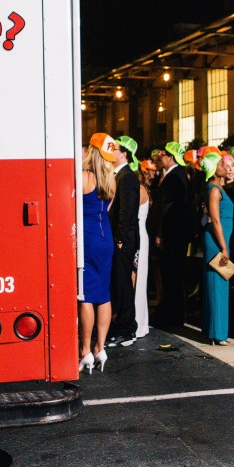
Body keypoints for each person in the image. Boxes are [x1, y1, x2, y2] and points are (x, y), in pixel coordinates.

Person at [79, 135, 117, 373]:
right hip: (106, 238)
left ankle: (84, 351)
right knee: (104, 293)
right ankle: (100, 347)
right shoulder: (111, 180)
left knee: (86, 295)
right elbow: (108, 210)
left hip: (87, 238)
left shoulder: (84, 177)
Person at [149, 141, 192, 328]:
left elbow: (165, 208)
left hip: (172, 234)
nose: (160, 158)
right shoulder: (181, 175)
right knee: (175, 276)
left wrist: (159, 232)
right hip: (178, 234)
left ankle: (172, 316)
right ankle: (175, 314)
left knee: (171, 276)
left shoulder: (174, 177)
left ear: (170, 157)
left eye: (163, 155)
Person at [107, 135, 141, 347]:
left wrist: (120, 238)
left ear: (124, 154)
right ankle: (123, 326)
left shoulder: (127, 177)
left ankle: (127, 329)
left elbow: (127, 211)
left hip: (124, 241)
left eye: (115, 149)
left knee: (123, 285)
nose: (111, 153)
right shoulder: (120, 175)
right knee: (119, 284)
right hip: (121, 239)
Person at [201, 152, 234, 345]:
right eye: (221, 163)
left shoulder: (218, 187)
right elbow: (215, 220)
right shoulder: (214, 189)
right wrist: (223, 247)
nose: (225, 166)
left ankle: (215, 330)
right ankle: (217, 333)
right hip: (217, 242)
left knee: (220, 283)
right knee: (217, 284)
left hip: (221, 240)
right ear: (214, 168)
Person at [134, 160, 153, 338]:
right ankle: (140, 321)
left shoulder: (138, 190)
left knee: (138, 279)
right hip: (141, 234)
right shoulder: (143, 189)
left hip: (138, 236)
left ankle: (138, 322)